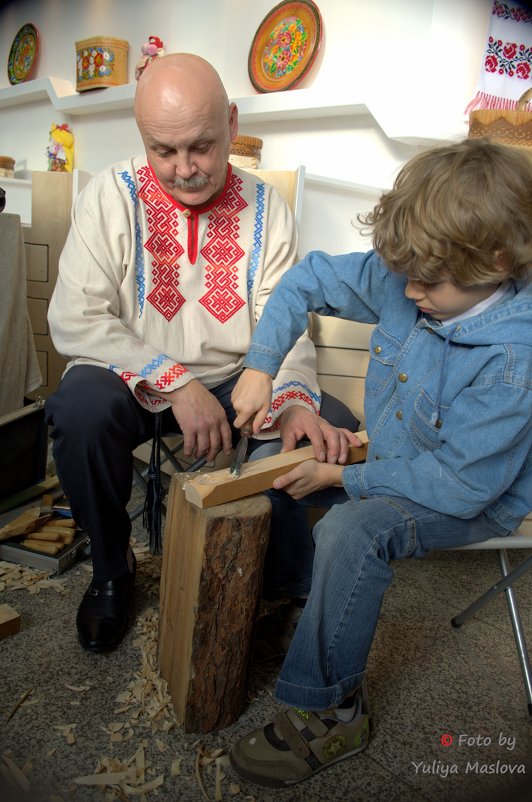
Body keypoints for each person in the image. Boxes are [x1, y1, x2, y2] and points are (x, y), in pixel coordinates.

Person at [228, 138, 532, 787]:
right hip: (404, 447)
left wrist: (344, 476)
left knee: (351, 527)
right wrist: (261, 368)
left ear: (498, 261)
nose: (410, 290)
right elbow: (309, 275)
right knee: (278, 467)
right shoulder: (418, 273)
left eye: (430, 281)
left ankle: (336, 712)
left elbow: (458, 482)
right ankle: (306, 606)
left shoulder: (515, 361)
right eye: (405, 273)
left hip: (475, 490)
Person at [44, 53, 358, 655]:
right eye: (164, 151)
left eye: (202, 147)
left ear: (232, 124)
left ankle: (274, 585)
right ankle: (112, 570)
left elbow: (285, 322)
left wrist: (292, 401)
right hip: (133, 378)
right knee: (79, 410)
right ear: (143, 138)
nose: (185, 169)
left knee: (327, 426)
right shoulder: (107, 196)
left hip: (240, 380)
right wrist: (177, 385)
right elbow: (75, 317)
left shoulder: (269, 210)